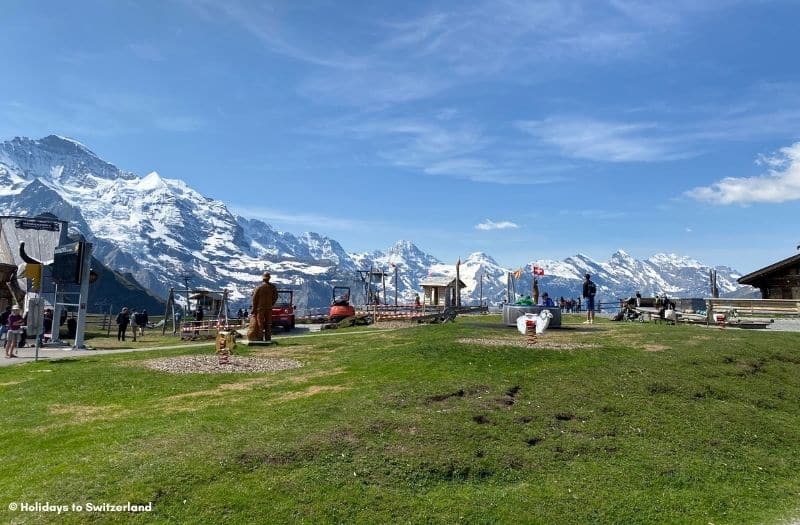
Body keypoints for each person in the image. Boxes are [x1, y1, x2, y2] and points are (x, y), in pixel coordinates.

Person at [248, 272, 278, 342]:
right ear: (269, 278)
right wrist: (271, 304)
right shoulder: (273, 287)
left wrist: (253, 308)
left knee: (260, 324)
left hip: (260, 308)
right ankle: (268, 338)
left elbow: (254, 299)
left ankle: (260, 338)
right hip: (269, 308)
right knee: (268, 323)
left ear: (263, 279)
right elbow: (276, 297)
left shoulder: (259, 287)